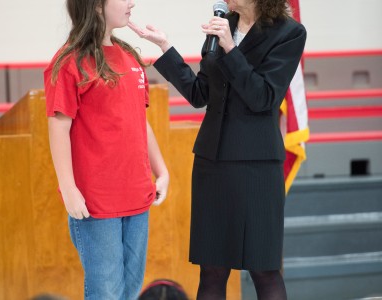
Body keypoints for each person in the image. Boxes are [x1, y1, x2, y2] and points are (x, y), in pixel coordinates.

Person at [128, 0, 306, 299]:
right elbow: (201, 94)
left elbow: (262, 97)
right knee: (211, 269)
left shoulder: (289, 32)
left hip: (257, 166)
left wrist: (230, 49)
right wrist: (165, 48)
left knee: (264, 269)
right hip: (213, 161)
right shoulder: (224, 24)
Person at [44, 0, 169, 299]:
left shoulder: (129, 56)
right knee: (106, 292)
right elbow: (58, 127)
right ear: (97, 6)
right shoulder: (69, 61)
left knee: (130, 290)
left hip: (138, 195)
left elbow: (141, 121)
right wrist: (68, 188)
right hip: (96, 203)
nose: (132, 3)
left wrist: (161, 170)